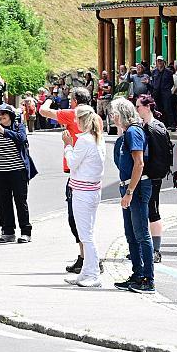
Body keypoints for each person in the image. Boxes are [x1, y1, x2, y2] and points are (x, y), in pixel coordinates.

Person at [40, 87, 101, 273]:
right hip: (91, 176)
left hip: (78, 174)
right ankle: (84, 258)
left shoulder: (72, 114)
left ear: (75, 101)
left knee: (76, 220)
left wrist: (49, 99)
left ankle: (90, 260)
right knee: (85, 221)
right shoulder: (96, 117)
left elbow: (43, 111)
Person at [111, 98, 155, 294]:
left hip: (136, 187)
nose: (112, 116)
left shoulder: (133, 131)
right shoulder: (126, 133)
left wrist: (129, 191)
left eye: (114, 113)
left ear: (122, 113)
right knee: (131, 234)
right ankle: (137, 274)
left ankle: (148, 278)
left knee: (141, 233)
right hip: (129, 186)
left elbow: (139, 164)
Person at [62, 105, 106, 287]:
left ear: (82, 120)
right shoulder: (97, 139)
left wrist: (67, 146)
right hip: (91, 190)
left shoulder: (85, 141)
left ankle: (94, 274)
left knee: (85, 235)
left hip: (83, 192)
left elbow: (72, 163)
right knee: (87, 233)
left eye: (76, 119)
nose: (74, 122)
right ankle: (86, 272)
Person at [0, 104, 38, 244]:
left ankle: (26, 232)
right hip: (0, 172)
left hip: (18, 171)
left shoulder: (18, 127)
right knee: (4, 203)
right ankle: (8, 232)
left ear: (10, 115)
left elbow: (21, 139)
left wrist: (4, 131)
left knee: (20, 202)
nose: (1, 116)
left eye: (4, 114)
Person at [135, 95, 167, 263]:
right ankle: (146, 248)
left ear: (147, 107)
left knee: (153, 212)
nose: (136, 109)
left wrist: (153, 173)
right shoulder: (146, 126)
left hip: (152, 176)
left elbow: (159, 156)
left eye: (138, 106)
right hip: (148, 175)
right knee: (146, 211)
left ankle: (155, 250)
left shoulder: (154, 127)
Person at [152, 55, 175, 129]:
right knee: (158, 109)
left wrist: (167, 89)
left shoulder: (169, 72)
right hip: (156, 92)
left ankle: (172, 124)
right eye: (158, 61)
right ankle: (161, 124)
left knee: (168, 108)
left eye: (160, 61)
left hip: (165, 92)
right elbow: (153, 81)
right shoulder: (154, 72)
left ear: (163, 62)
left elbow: (172, 83)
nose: (159, 62)